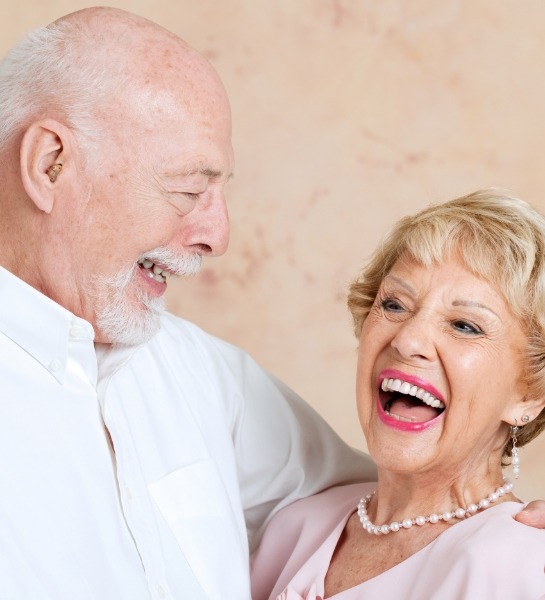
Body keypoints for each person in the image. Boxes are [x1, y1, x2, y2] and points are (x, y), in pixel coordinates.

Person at [0, 8, 543, 600]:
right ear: (49, 164)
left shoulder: (199, 375)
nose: (219, 235)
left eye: (465, 324)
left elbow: (406, 488)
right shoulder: (302, 532)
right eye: (186, 190)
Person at [251, 190, 545, 599]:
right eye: (394, 304)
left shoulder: (522, 565)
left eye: (464, 325)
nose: (407, 340)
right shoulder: (294, 529)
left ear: (529, 394)